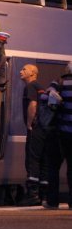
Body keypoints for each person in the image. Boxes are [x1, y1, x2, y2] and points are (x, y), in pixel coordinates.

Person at [44, 62, 72, 209]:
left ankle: (52, 201)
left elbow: (45, 98)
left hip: (60, 134)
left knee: (53, 168)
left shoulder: (58, 83)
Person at [19, 64, 48, 206]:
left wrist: (29, 123)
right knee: (41, 160)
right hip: (43, 130)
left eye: (24, 69)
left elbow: (33, 105)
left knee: (32, 160)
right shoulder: (41, 87)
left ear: (32, 73)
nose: (21, 71)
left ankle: (32, 194)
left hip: (35, 128)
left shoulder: (30, 87)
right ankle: (43, 194)